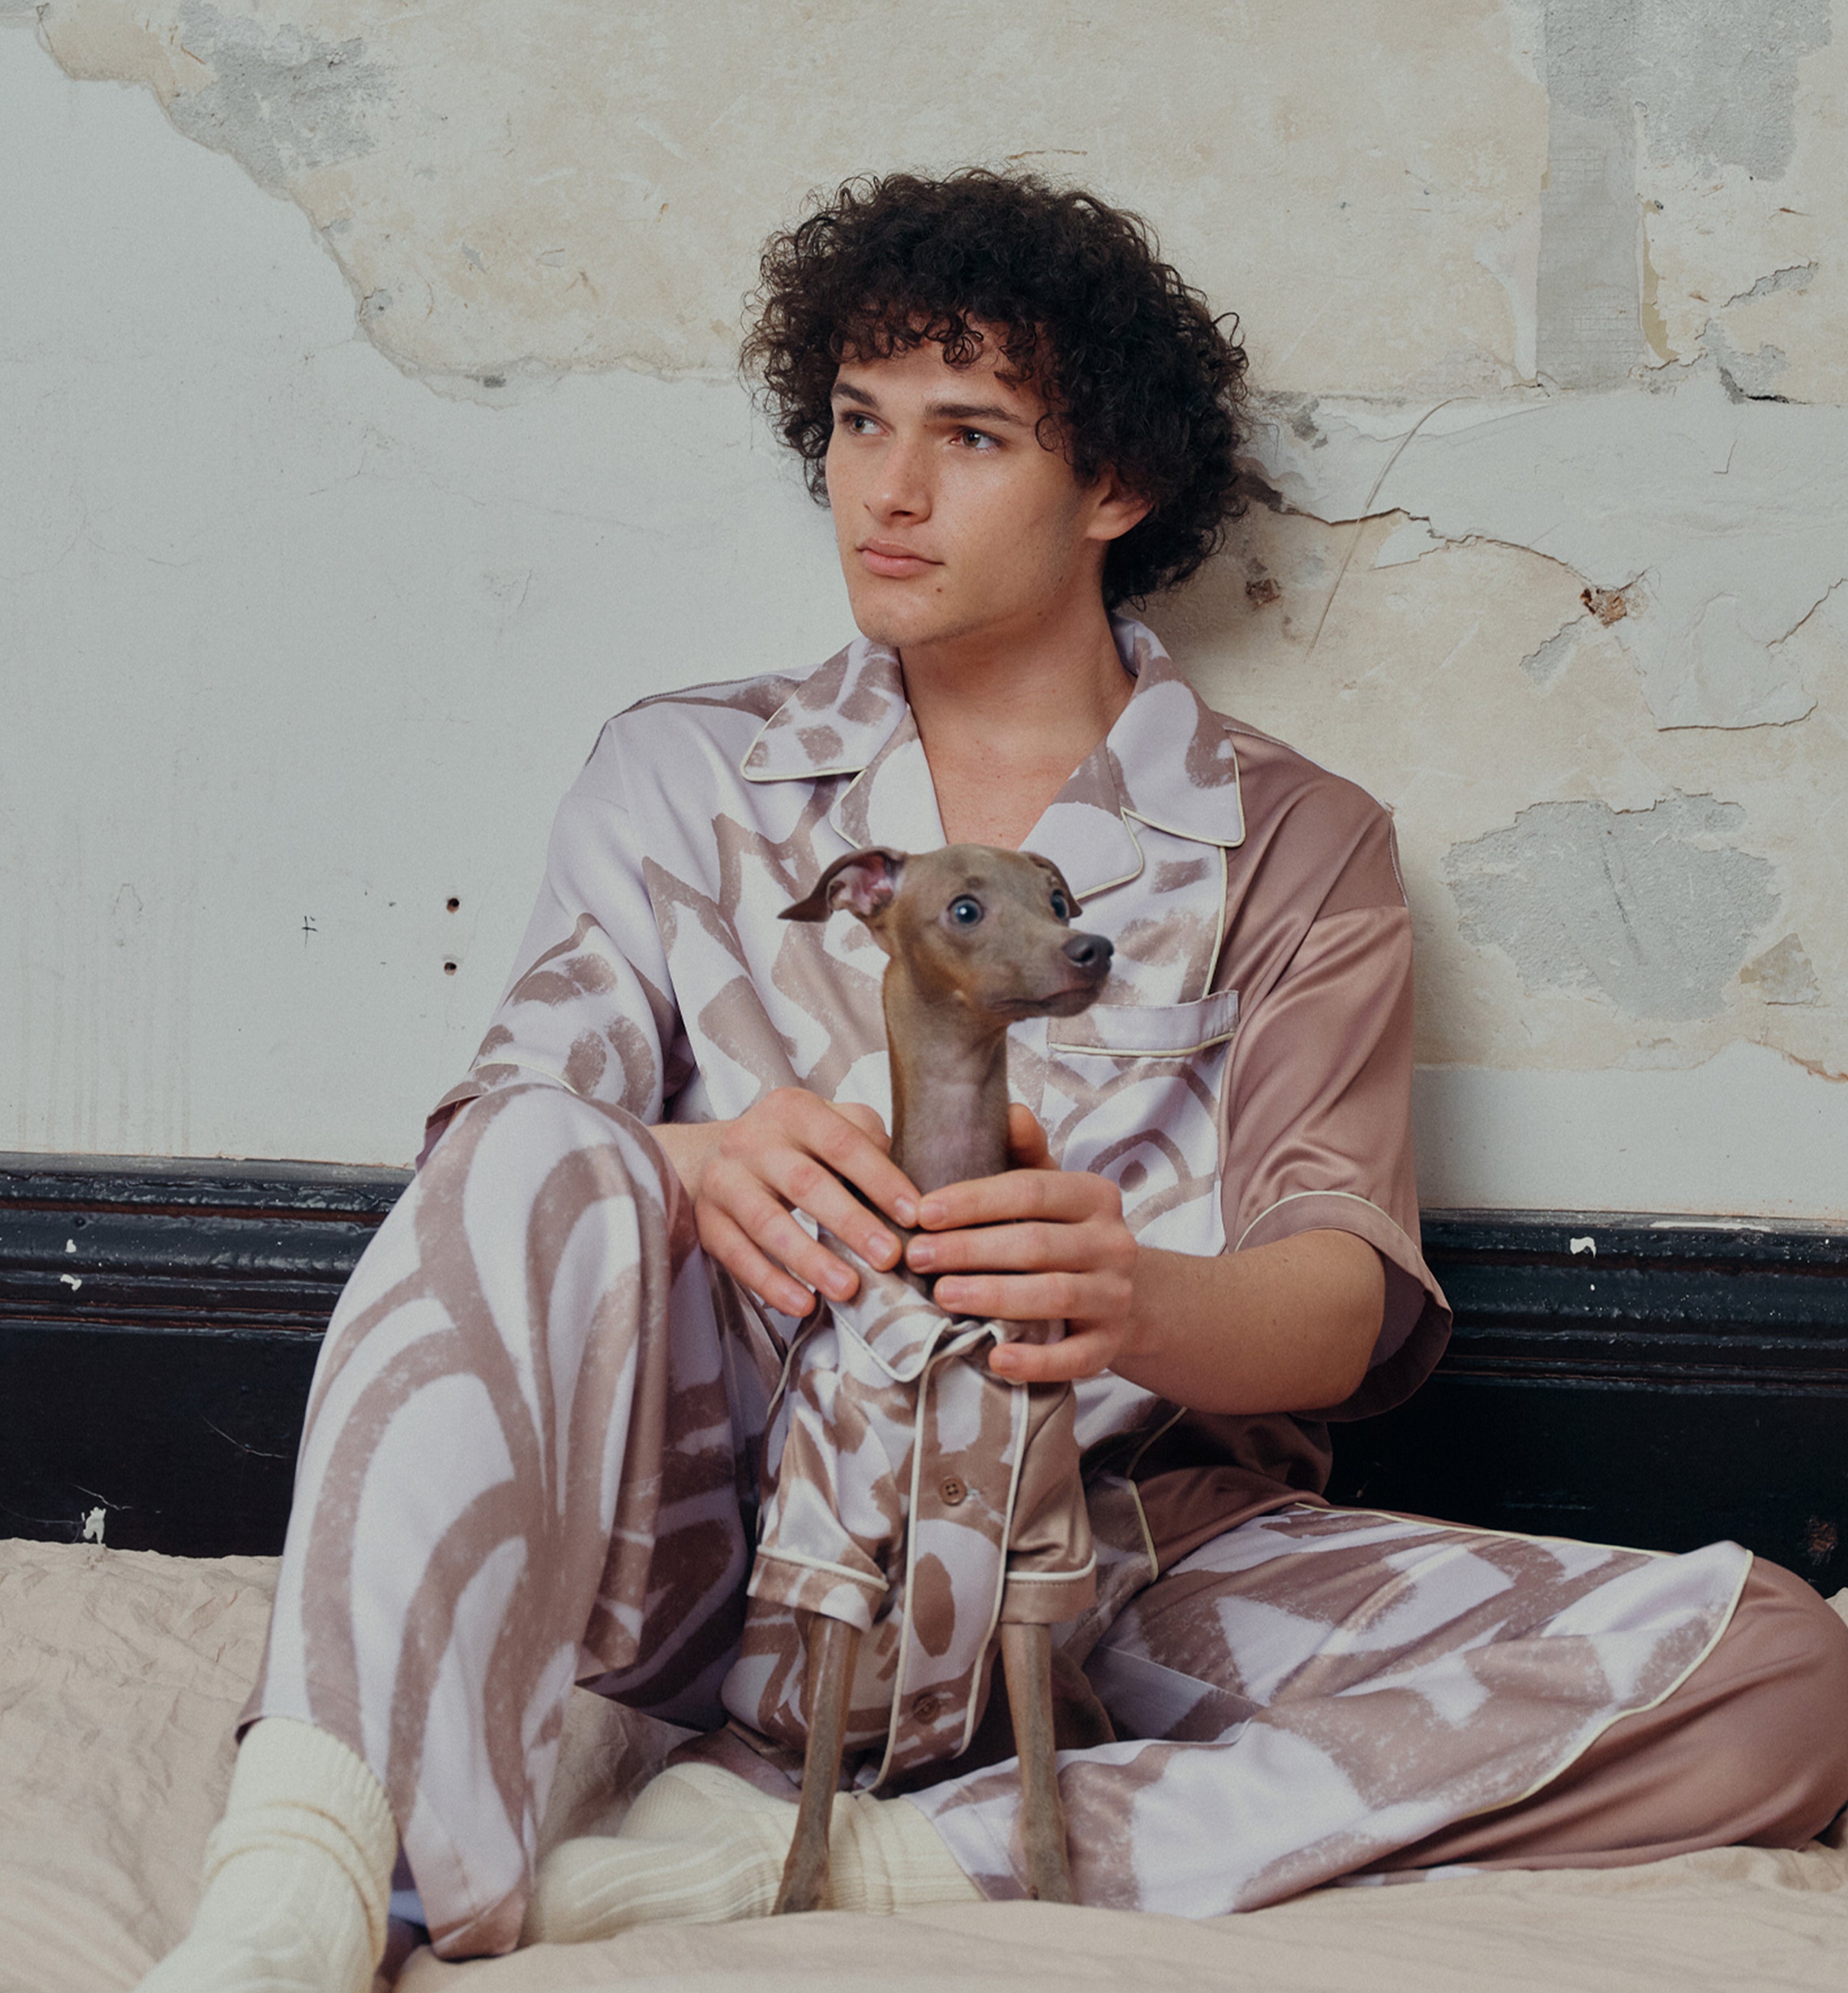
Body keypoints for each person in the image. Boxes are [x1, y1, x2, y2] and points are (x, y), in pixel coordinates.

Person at [142, 171, 1848, 1992]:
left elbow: (1343, 1300)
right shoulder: (679, 775)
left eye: (968, 435)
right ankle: (304, 1876)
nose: (886, 489)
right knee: (540, 1149)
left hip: (1111, 1584)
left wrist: (1136, 1300)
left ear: (1113, 486)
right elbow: (497, 1155)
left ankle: (891, 1863)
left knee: (1780, 1676)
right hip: (720, 1559)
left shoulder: (1301, 842)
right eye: (860, 424)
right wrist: (688, 1161)